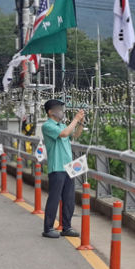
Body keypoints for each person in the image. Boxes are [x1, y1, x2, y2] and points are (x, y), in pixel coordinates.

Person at [41, 99, 85, 238]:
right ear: (50, 112)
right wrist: (76, 118)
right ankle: (48, 228)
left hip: (69, 167)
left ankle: (67, 227)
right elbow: (65, 134)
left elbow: (75, 135)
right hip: (57, 167)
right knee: (54, 198)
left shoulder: (62, 125)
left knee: (69, 198)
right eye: (59, 108)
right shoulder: (47, 126)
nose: (62, 111)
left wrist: (81, 123)